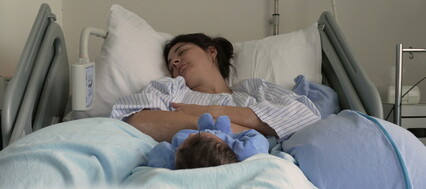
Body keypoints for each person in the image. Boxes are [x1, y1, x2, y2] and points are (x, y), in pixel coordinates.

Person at [110, 33, 321, 142]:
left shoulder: (252, 89)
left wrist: (211, 112)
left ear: (211, 52)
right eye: (170, 63)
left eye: (181, 52)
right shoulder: (172, 88)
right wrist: (245, 130)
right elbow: (135, 120)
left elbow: (306, 116)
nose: (174, 62)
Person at [148, 113, 270, 170]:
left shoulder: (176, 162)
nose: (191, 134)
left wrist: (174, 156)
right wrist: (227, 137)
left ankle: (207, 129)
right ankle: (222, 131)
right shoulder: (248, 151)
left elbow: (158, 150)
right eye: (196, 135)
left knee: (179, 137)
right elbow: (257, 137)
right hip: (227, 139)